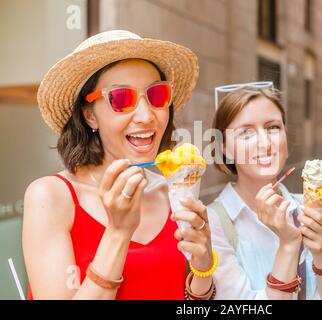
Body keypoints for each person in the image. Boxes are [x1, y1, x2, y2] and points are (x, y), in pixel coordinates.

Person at [22, 30, 216, 300]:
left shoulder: (172, 195)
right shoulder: (51, 196)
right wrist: (119, 231)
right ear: (89, 115)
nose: (147, 116)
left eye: (157, 95)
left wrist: (203, 268)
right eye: (122, 99)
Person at [207, 83, 322, 299]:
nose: (265, 142)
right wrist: (289, 245)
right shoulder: (212, 223)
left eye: (273, 128)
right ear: (224, 147)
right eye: (245, 132)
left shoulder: (308, 210)